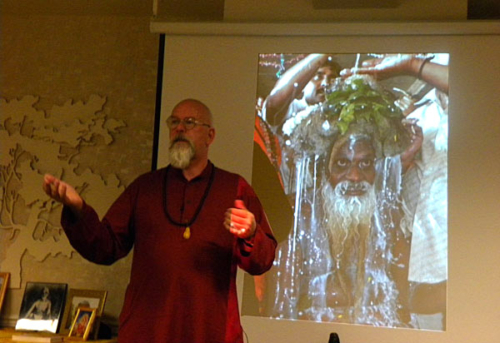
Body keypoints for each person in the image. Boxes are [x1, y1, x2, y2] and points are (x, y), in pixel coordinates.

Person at [42, 99, 277, 343]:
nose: (179, 129)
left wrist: (251, 233)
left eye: (189, 122)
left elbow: (264, 259)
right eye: (174, 122)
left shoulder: (234, 188)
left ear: (210, 136)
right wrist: (78, 208)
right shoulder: (145, 188)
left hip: (208, 331)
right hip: (148, 331)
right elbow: (105, 246)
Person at [341, 54, 449, 330]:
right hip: (426, 240)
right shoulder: (421, 117)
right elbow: (394, 180)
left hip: (461, 241)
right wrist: (403, 160)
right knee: (423, 306)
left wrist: (409, 65)